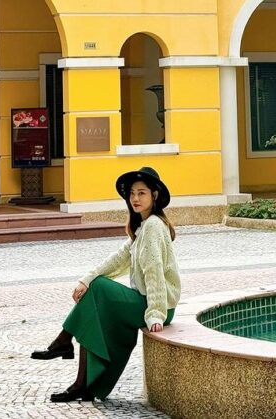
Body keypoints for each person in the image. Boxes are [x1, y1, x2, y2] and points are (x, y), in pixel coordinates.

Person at [31, 166, 180, 403]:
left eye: (141, 193)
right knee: (93, 307)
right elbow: (119, 259)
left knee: (99, 288)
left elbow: (155, 273)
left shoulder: (153, 226)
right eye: (132, 193)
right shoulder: (142, 227)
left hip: (156, 306)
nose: (135, 198)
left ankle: (63, 341)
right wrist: (86, 279)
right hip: (146, 302)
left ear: (155, 195)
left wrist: (156, 314)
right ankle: (81, 384)